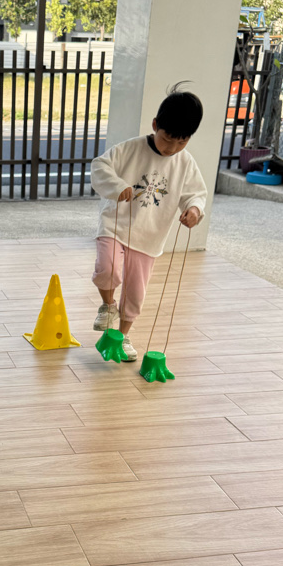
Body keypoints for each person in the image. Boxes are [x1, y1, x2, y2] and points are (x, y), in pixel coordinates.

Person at [90, 85, 207, 360]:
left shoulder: (185, 163)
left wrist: (193, 209)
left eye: (182, 142)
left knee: (135, 293)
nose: (172, 148)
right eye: (167, 139)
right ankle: (108, 305)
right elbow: (99, 166)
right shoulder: (130, 149)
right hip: (116, 226)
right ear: (155, 125)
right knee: (107, 268)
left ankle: (122, 336)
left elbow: (195, 193)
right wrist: (117, 185)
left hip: (150, 235)